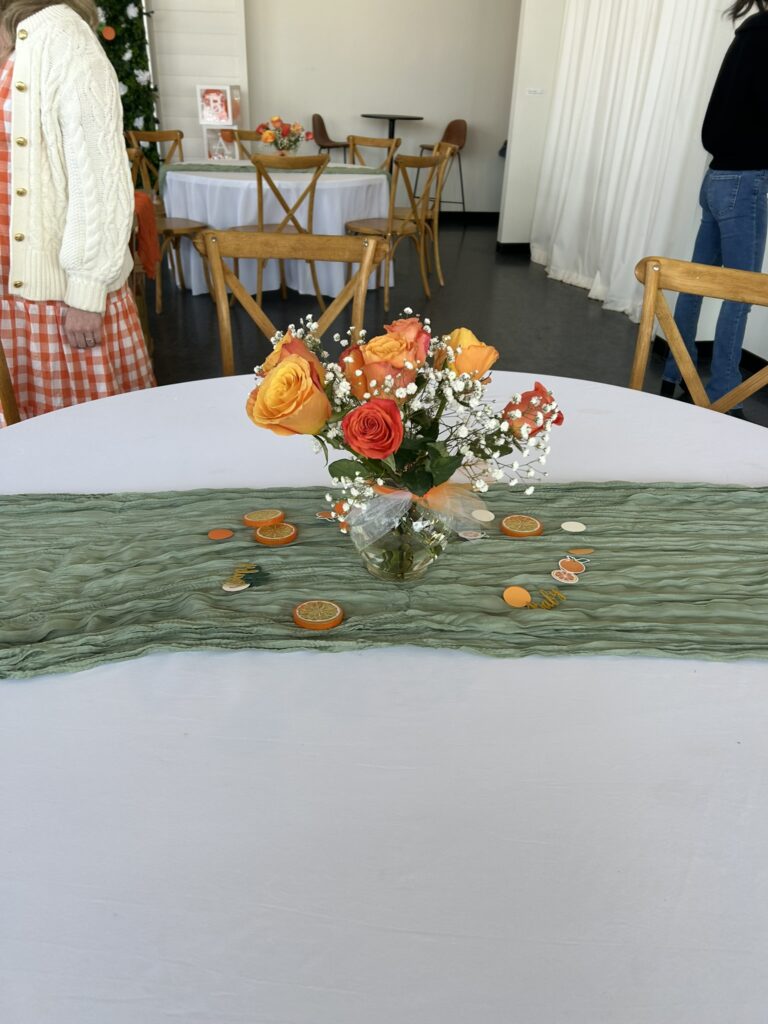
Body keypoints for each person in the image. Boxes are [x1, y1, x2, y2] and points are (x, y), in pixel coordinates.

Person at [0, 0, 154, 425]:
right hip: (11, 291)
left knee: (83, 440)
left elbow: (101, 171)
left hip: (54, 299)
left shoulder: (64, 35)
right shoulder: (18, 38)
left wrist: (88, 286)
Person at [661, 0, 768, 415]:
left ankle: (676, 374)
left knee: (697, 282)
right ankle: (725, 388)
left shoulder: (745, 37)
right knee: (741, 291)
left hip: (717, 177)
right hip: (746, 179)